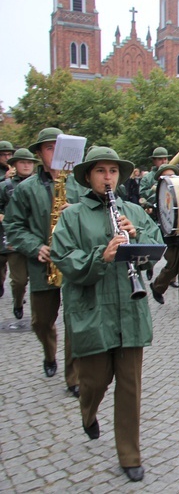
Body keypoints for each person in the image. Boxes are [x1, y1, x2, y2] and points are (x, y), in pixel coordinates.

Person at [50, 146, 163, 483]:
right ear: (89, 176)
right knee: (94, 381)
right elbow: (64, 257)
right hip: (93, 308)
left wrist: (138, 236)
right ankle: (88, 411)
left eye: (113, 171)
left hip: (130, 307)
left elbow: (155, 248)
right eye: (101, 171)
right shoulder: (72, 215)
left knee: (129, 387)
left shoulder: (132, 210)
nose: (108, 177)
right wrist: (103, 255)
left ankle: (129, 454)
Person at [5, 127, 79, 397]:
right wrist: (35, 247)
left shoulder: (79, 184)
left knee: (75, 321)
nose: (55, 153)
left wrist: (79, 212)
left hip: (74, 264)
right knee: (41, 322)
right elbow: (13, 226)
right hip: (42, 264)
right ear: (39, 154)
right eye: (49, 148)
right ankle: (49, 355)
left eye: (59, 147)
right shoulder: (26, 189)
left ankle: (74, 377)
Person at [149, 164, 179, 315]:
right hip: (170, 235)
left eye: (173, 175)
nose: (171, 178)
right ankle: (157, 287)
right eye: (167, 176)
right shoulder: (157, 193)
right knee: (172, 267)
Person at [0, 148, 36, 318]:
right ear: (14, 165)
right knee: (19, 280)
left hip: (37, 237)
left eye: (29, 162)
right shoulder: (5, 186)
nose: (26, 165)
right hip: (15, 239)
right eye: (22, 162)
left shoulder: (41, 184)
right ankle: (17, 302)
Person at [0, 140, 16, 296]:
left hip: (12, 227)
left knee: (17, 274)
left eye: (9, 154)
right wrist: (4, 179)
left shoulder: (16, 171)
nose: (6, 157)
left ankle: (18, 292)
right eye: (3, 154)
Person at [138, 147, 170, 214]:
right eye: (160, 159)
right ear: (154, 161)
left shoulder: (172, 175)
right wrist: (154, 189)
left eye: (165, 159)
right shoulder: (147, 178)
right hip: (154, 212)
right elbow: (143, 195)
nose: (164, 162)